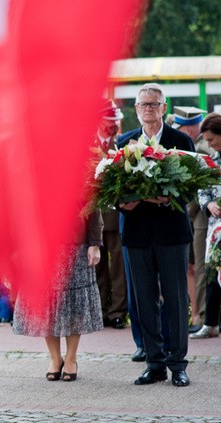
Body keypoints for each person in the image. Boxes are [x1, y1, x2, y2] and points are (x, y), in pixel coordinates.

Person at [118, 83, 194, 387]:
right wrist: (123, 203)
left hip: (172, 230)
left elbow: (191, 185)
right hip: (136, 232)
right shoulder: (124, 142)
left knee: (175, 299)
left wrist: (170, 198)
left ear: (163, 108)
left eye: (154, 104)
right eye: (143, 104)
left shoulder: (180, 142)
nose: (148, 109)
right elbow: (113, 187)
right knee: (144, 299)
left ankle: (178, 365)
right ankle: (154, 362)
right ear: (135, 110)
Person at [13, 178, 104, 382]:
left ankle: (71, 358)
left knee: (74, 304)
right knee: (47, 305)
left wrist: (95, 243)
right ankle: (55, 358)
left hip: (75, 244)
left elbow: (93, 206)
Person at [190, 112, 221, 339]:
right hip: (216, 227)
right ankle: (211, 324)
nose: (209, 144)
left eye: (212, 140)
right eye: (206, 141)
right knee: (212, 272)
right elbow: (201, 190)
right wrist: (210, 204)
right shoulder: (211, 161)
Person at [170, 106, 211, 333]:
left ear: (194, 127)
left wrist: (187, 212)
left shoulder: (202, 149)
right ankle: (195, 314)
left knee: (201, 267)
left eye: (184, 128)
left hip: (199, 216)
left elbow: (199, 187)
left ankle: (202, 317)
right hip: (190, 214)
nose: (181, 132)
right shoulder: (187, 146)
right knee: (191, 268)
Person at [95, 100, 128, 330]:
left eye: (116, 121)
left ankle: (117, 312)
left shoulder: (124, 144)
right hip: (94, 214)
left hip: (117, 213)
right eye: (110, 121)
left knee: (118, 265)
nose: (114, 125)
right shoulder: (86, 144)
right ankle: (100, 309)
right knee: (97, 266)